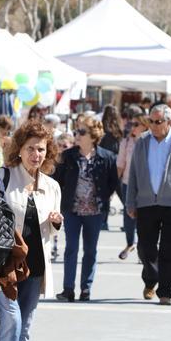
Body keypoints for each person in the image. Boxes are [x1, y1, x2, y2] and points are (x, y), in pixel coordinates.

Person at [0, 121, 63, 341]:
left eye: (41, 149)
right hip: (6, 266)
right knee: (12, 322)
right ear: (19, 149)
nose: (36, 154)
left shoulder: (52, 186)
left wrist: (57, 223)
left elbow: (54, 227)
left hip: (36, 268)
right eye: (31, 148)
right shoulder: (4, 177)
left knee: (24, 328)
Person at [126, 105, 171, 305]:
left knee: (170, 249)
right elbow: (132, 174)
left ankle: (165, 290)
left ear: (169, 122)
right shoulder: (142, 142)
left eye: (158, 122)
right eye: (151, 121)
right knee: (145, 248)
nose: (153, 125)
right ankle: (151, 279)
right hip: (146, 202)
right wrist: (130, 202)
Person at [53, 115, 119, 302]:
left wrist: (110, 198)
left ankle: (86, 289)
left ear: (93, 135)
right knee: (71, 248)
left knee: (90, 251)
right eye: (76, 131)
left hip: (95, 212)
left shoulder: (107, 157)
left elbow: (114, 182)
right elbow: (56, 181)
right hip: (71, 210)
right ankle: (68, 289)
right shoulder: (68, 156)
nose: (77, 135)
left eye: (82, 132)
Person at [116, 113, 149, 259]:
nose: (133, 128)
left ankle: (143, 248)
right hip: (128, 184)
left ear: (144, 126)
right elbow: (120, 165)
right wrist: (113, 186)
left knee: (144, 218)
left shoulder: (151, 142)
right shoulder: (126, 142)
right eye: (131, 125)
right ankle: (130, 243)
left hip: (146, 186)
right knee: (129, 216)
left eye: (136, 124)